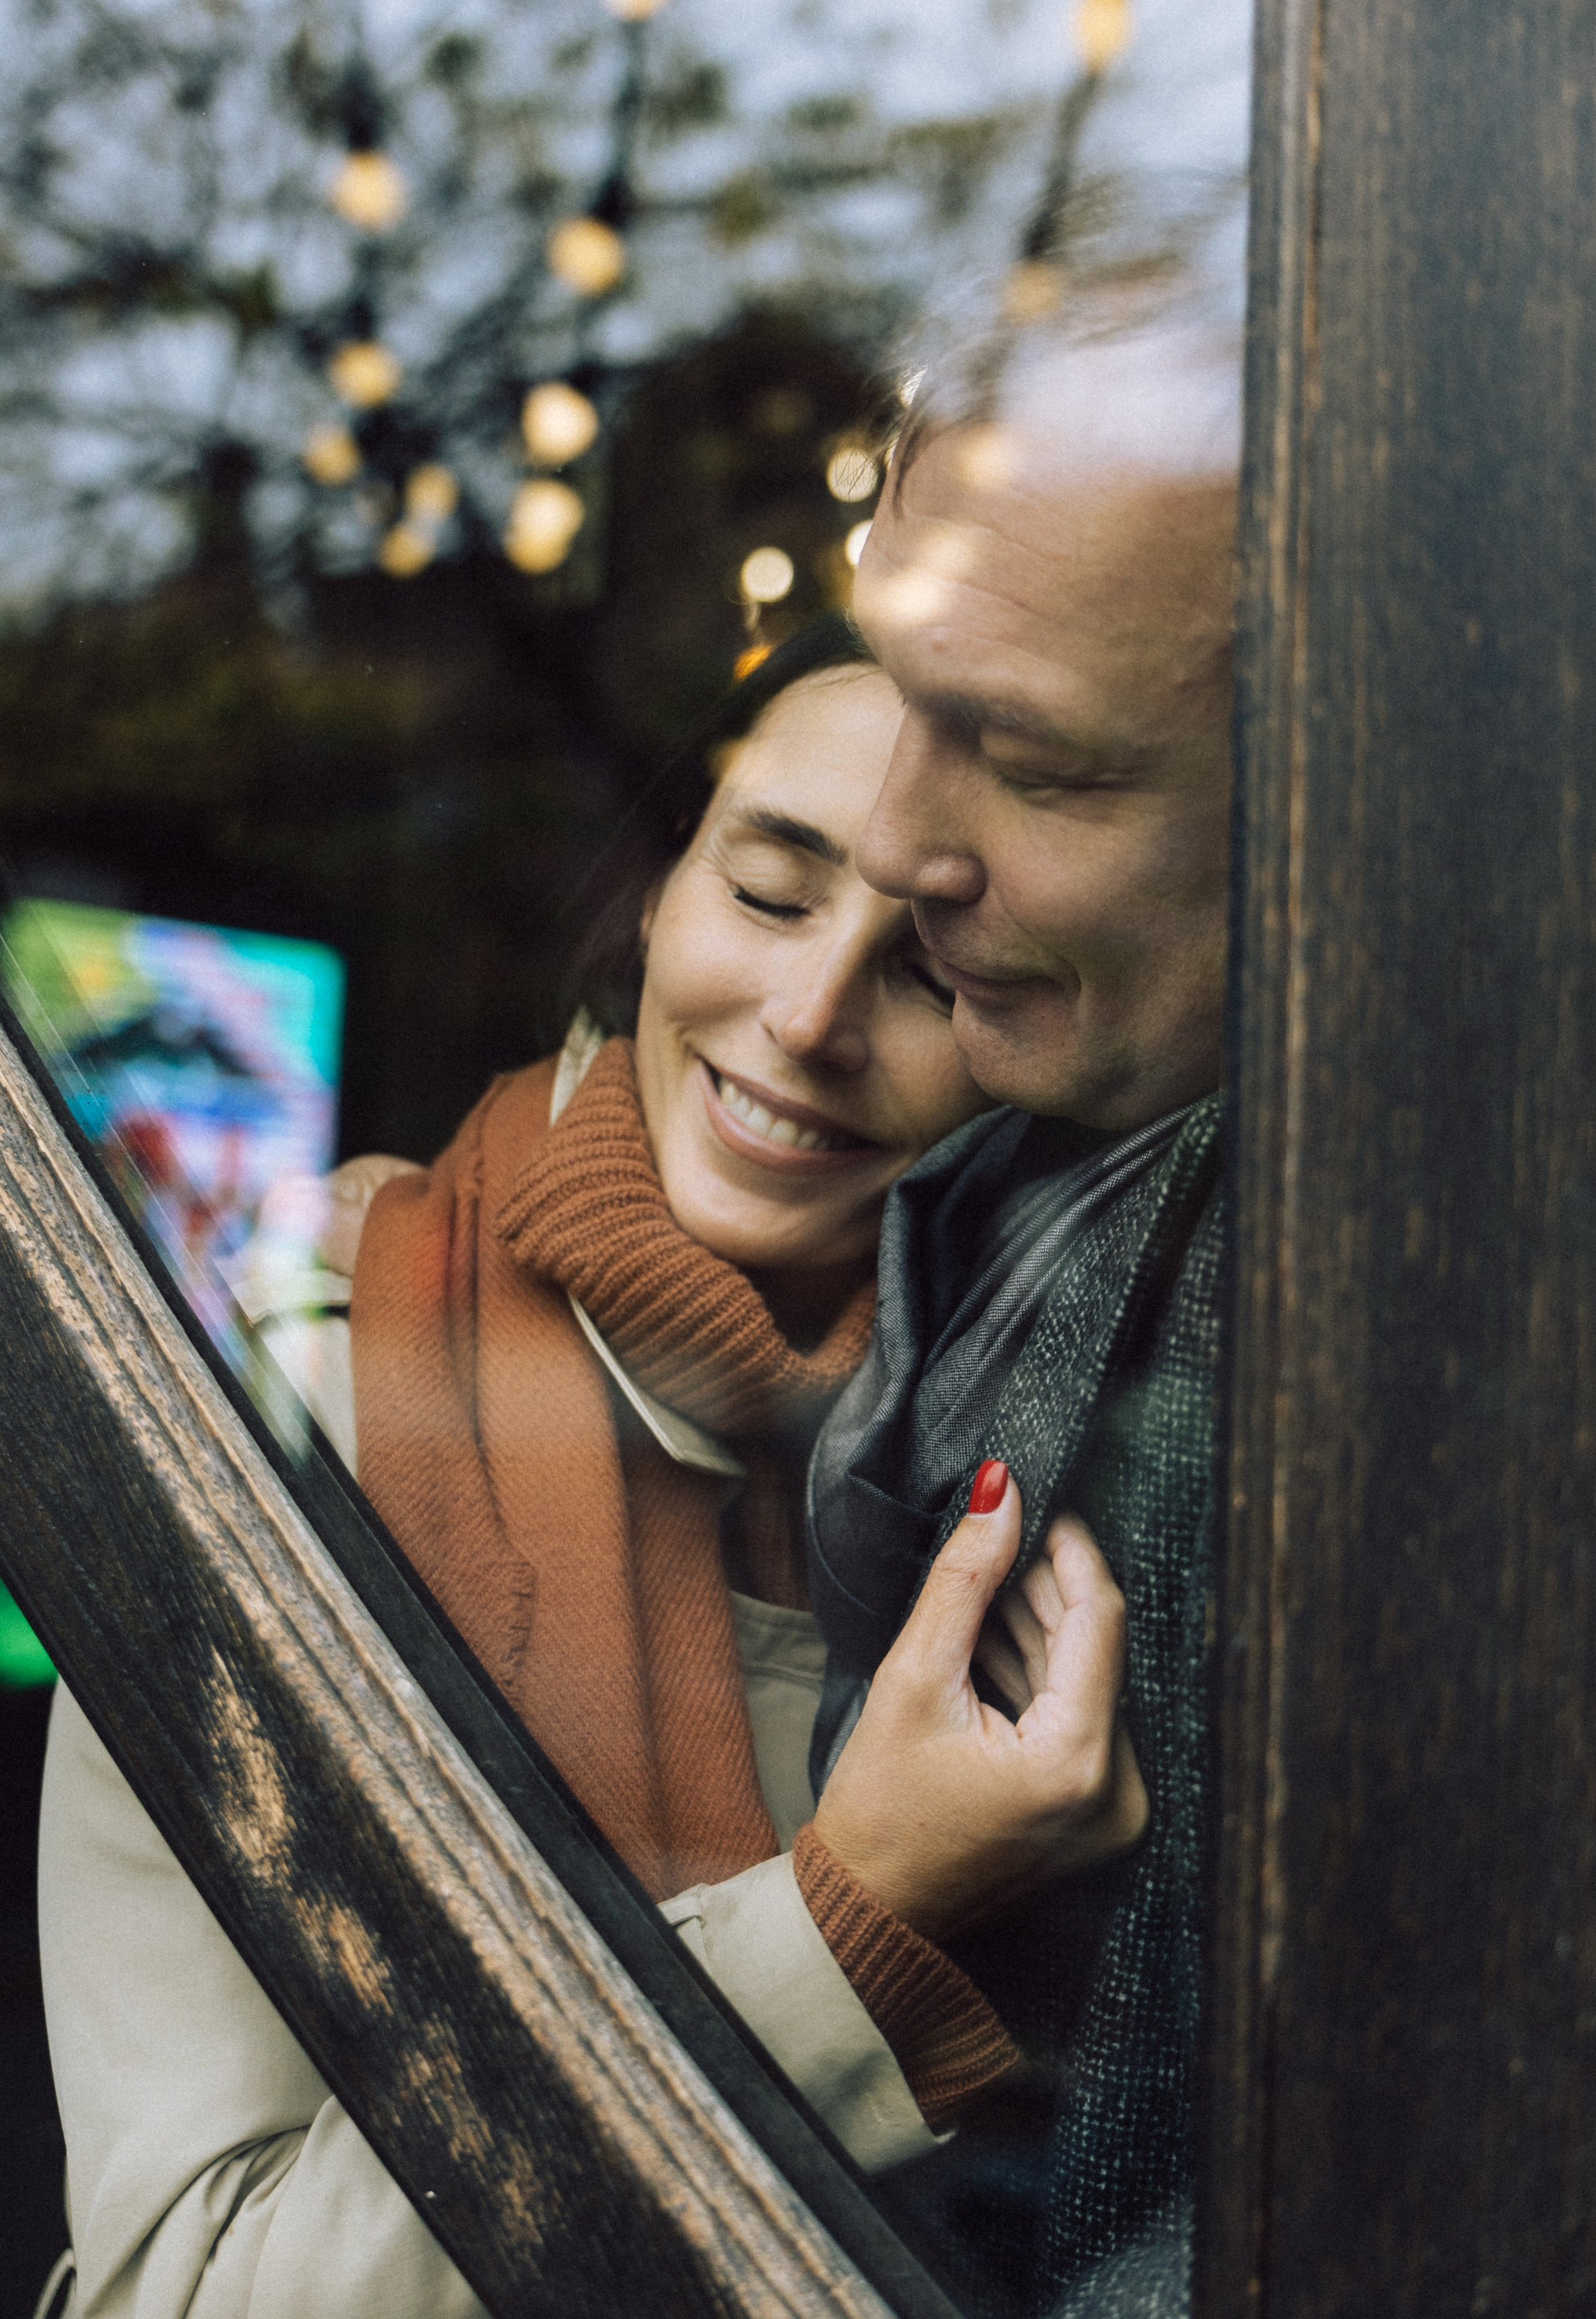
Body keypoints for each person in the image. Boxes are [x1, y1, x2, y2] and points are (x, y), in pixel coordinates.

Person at [37, 615, 1147, 2319]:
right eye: (769, 892)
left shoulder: (1053, 1500)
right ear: (659, 896)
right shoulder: (309, 1416)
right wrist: (855, 1923)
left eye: (932, 970)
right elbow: (185, 2289)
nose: (808, 1013)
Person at [801, 291, 1242, 2317]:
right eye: (908, 696)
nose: (900, 844)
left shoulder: (1263, 1346)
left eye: (1037, 764)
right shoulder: (1027, 1173)